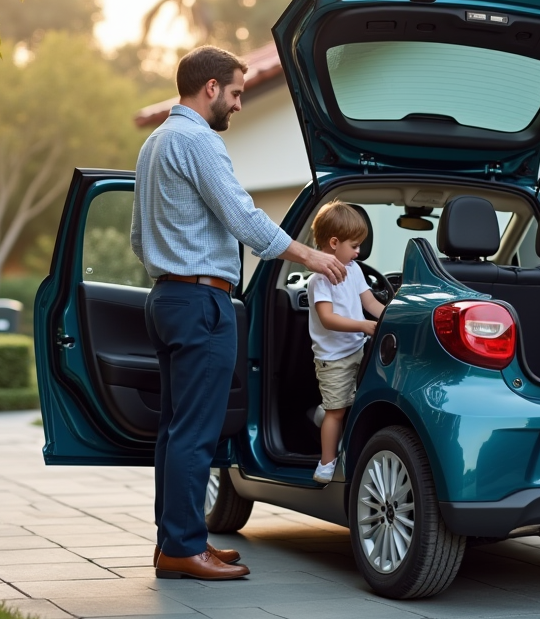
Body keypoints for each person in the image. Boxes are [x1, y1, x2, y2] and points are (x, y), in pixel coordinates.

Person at [131, 46, 346, 581]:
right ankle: (183, 548)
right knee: (195, 431)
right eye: (235, 93)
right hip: (199, 301)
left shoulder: (155, 143)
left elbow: (138, 238)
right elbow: (244, 217)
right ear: (210, 88)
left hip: (167, 298)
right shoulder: (198, 141)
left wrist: (173, 262)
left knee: (175, 430)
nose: (238, 104)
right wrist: (311, 255)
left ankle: (176, 542)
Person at [305, 201, 387, 484]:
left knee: (356, 405)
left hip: (357, 350)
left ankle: (348, 453)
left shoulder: (354, 270)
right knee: (336, 411)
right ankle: (326, 464)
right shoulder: (320, 279)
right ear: (334, 243)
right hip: (334, 358)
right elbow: (327, 318)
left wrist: (392, 317)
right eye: (354, 245)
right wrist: (363, 325)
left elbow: (370, 303)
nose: (358, 252)